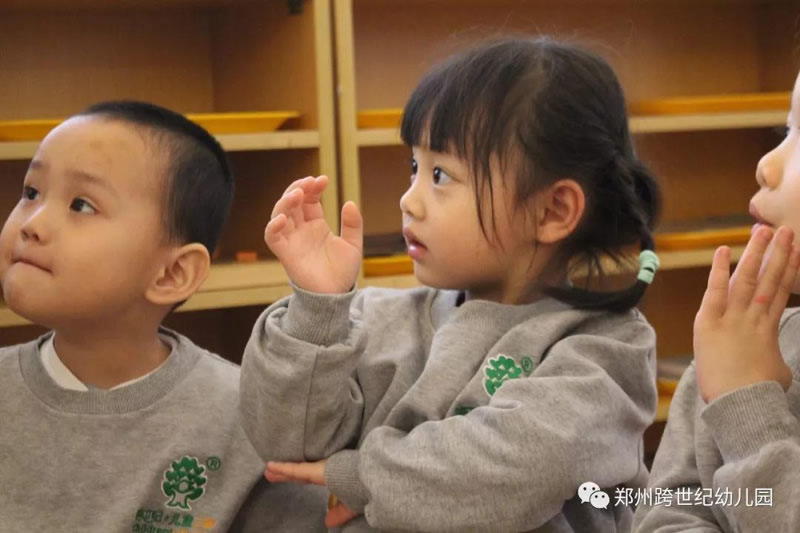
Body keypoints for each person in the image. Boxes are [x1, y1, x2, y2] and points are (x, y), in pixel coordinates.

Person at [241, 37, 662, 532]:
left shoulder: (605, 350)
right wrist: (316, 311)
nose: (409, 201)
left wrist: (364, 476)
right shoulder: (379, 318)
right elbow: (287, 443)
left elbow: (513, 469)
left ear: (553, 211)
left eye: (440, 174)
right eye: (414, 167)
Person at [0, 100, 326, 531]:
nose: (32, 223)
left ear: (173, 273)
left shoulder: (248, 418)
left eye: (81, 205)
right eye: (31, 193)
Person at [634, 71, 800, 532]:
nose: (765, 165)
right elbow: (667, 513)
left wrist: (747, 404)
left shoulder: (739, 367)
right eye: (786, 130)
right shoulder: (741, 343)